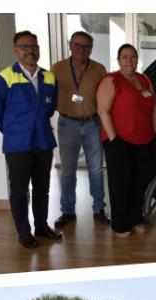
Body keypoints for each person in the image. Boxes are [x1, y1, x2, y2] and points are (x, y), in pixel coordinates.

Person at [0, 30, 62, 249]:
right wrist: (11, 130)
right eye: (25, 46)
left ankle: (41, 226)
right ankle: (24, 232)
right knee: (19, 190)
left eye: (34, 46)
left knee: (42, 188)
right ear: (16, 50)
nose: (30, 51)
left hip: (43, 142)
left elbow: (50, 107)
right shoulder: (3, 79)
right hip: (17, 145)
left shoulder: (49, 77)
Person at [97, 44, 156, 237]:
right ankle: (120, 225)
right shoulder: (111, 80)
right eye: (124, 57)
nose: (129, 60)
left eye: (132, 56)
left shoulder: (144, 79)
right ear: (118, 60)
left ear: (137, 59)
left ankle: (136, 219)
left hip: (145, 140)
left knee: (139, 183)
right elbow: (102, 110)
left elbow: (154, 107)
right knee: (120, 184)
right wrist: (114, 138)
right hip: (120, 141)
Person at [51, 31, 110, 228]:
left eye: (87, 47)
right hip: (67, 124)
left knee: (96, 170)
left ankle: (99, 209)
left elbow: (106, 97)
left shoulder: (99, 69)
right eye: (78, 45)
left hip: (93, 123)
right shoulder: (57, 69)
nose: (82, 50)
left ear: (91, 49)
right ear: (70, 45)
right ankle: (67, 211)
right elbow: (48, 95)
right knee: (68, 171)